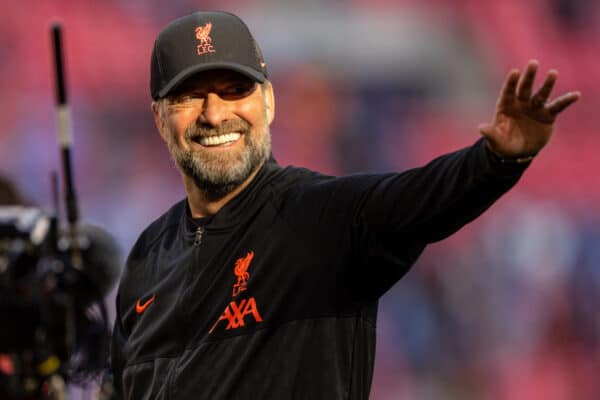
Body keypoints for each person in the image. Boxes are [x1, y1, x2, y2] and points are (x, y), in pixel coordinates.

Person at [107, 11, 580, 400]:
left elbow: (424, 197)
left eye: (235, 91)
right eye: (191, 96)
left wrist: (497, 159)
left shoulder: (319, 219)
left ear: (268, 102)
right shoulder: (149, 253)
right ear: (159, 118)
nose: (215, 113)